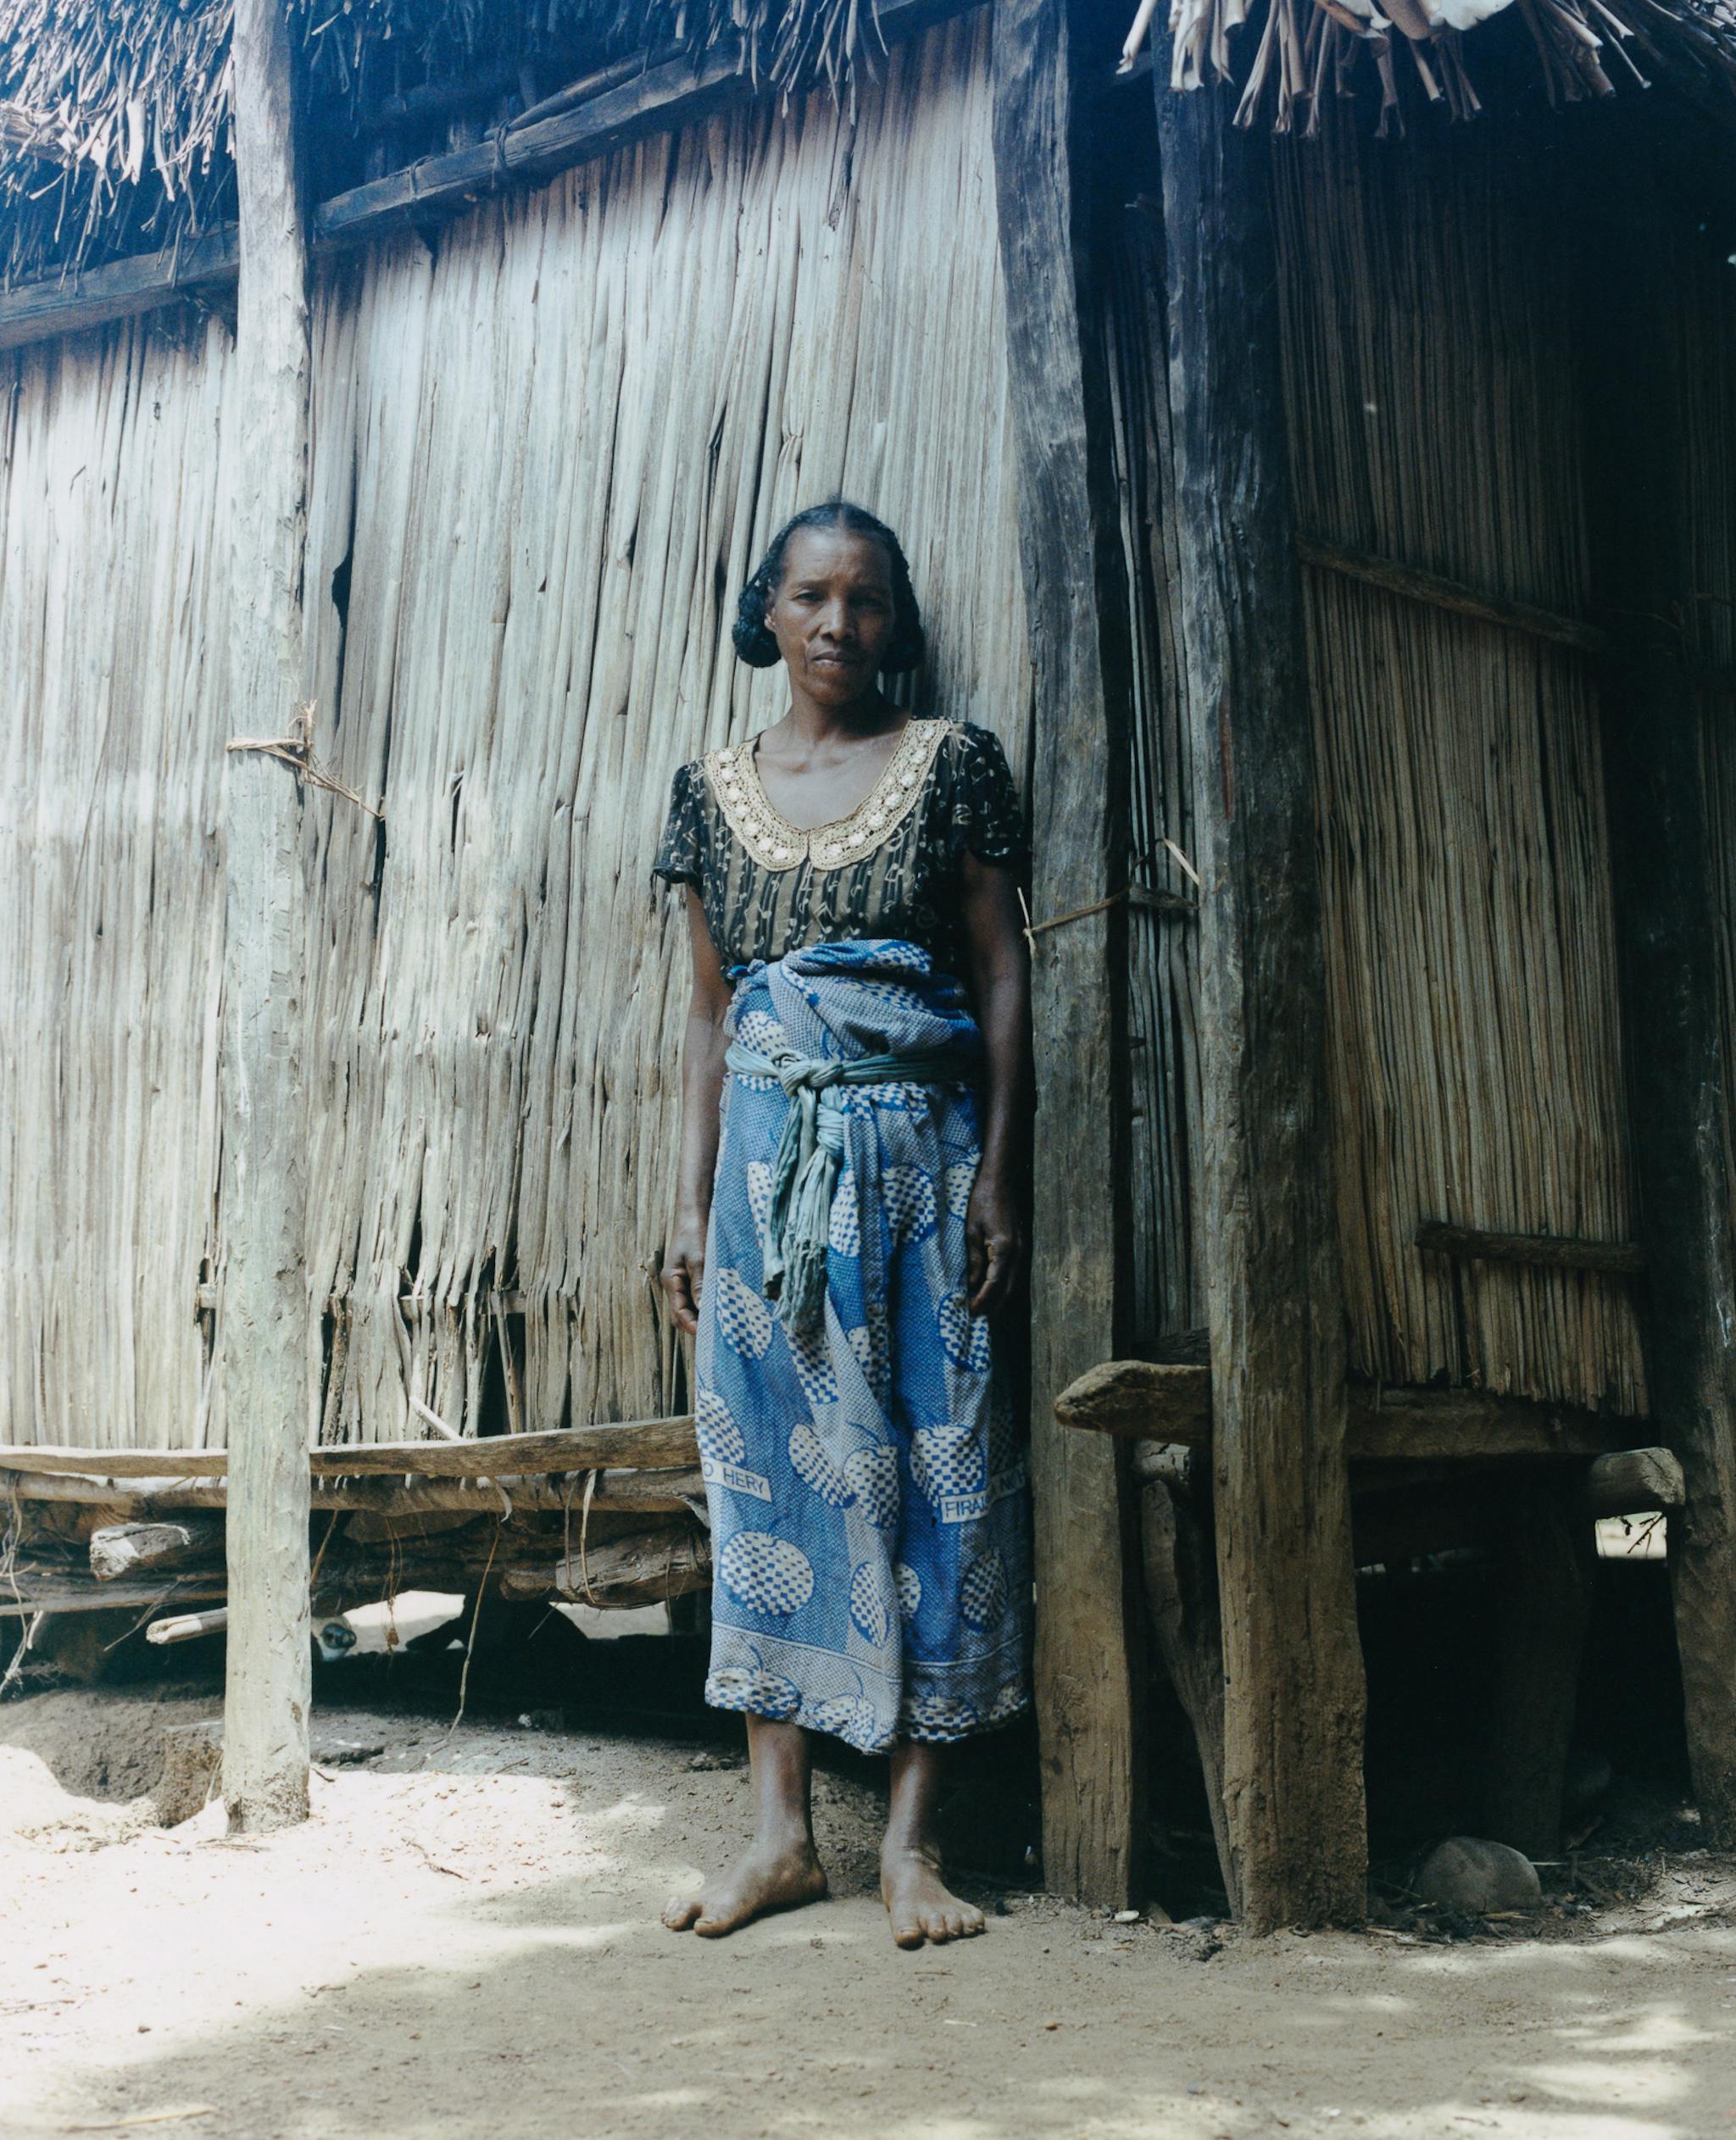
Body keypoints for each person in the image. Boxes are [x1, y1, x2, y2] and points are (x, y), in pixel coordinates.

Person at [653, 500, 1034, 1949]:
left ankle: (911, 1847)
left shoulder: (949, 766)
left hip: (923, 1168)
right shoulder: (710, 793)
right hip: (768, 1183)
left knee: (940, 1469)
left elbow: (1003, 974)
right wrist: (690, 1207)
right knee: (765, 1475)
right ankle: (780, 1838)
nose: (837, 624)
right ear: (766, 611)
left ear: (895, 621)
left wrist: (999, 1175)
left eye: (865, 600)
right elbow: (708, 1015)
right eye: (811, 596)